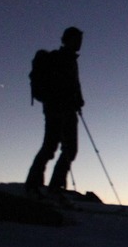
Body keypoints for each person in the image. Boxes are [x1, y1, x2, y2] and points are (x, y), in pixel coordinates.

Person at [25, 26, 84, 199]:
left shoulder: (70, 60)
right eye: (76, 39)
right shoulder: (61, 59)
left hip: (62, 109)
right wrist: (73, 99)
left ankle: (43, 186)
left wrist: (78, 100)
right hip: (58, 109)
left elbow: (74, 84)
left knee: (62, 148)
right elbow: (65, 85)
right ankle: (44, 187)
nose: (80, 43)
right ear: (67, 40)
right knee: (57, 147)